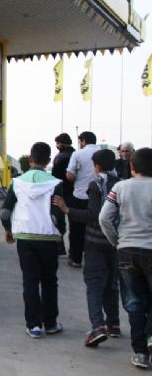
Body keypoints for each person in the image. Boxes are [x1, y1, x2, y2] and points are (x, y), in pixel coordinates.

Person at [53, 149, 121, 347]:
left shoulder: (96, 184)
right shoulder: (122, 183)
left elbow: (93, 215)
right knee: (112, 283)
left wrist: (67, 210)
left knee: (93, 283)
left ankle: (97, 327)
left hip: (95, 241)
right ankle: (114, 324)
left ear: (96, 166)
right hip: (116, 243)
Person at [1, 142, 66, 338]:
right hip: (48, 238)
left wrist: (9, 231)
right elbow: (57, 216)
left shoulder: (18, 182)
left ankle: (34, 325)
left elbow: (5, 212)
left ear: (30, 160)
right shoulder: (55, 183)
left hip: (25, 238)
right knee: (49, 281)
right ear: (47, 161)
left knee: (30, 281)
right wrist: (61, 232)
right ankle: (51, 323)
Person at [99, 147, 152, 369]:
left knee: (134, 302)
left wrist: (117, 241)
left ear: (131, 166)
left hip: (127, 250)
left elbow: (104, 218)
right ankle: (150, 335)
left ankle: (140, 353)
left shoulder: (120, 187)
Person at [66, 131, 100, 268]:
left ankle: (76, 260)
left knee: (77, 231)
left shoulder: (78, 154)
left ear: (83, 141)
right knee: (97, 230)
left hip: (80, 196)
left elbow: (70, 175)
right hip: (99, 196)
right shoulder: (103, 152)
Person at [52, 133, 75, 255]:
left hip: (61, 193)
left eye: (57, 143)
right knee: (75, 223)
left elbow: (55, 177)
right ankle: (74, 250)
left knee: (59, 220)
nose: (56, 145)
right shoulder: (75, 154)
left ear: (62, 143)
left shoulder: (60, 157)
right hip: (75, 193)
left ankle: (60, 247)